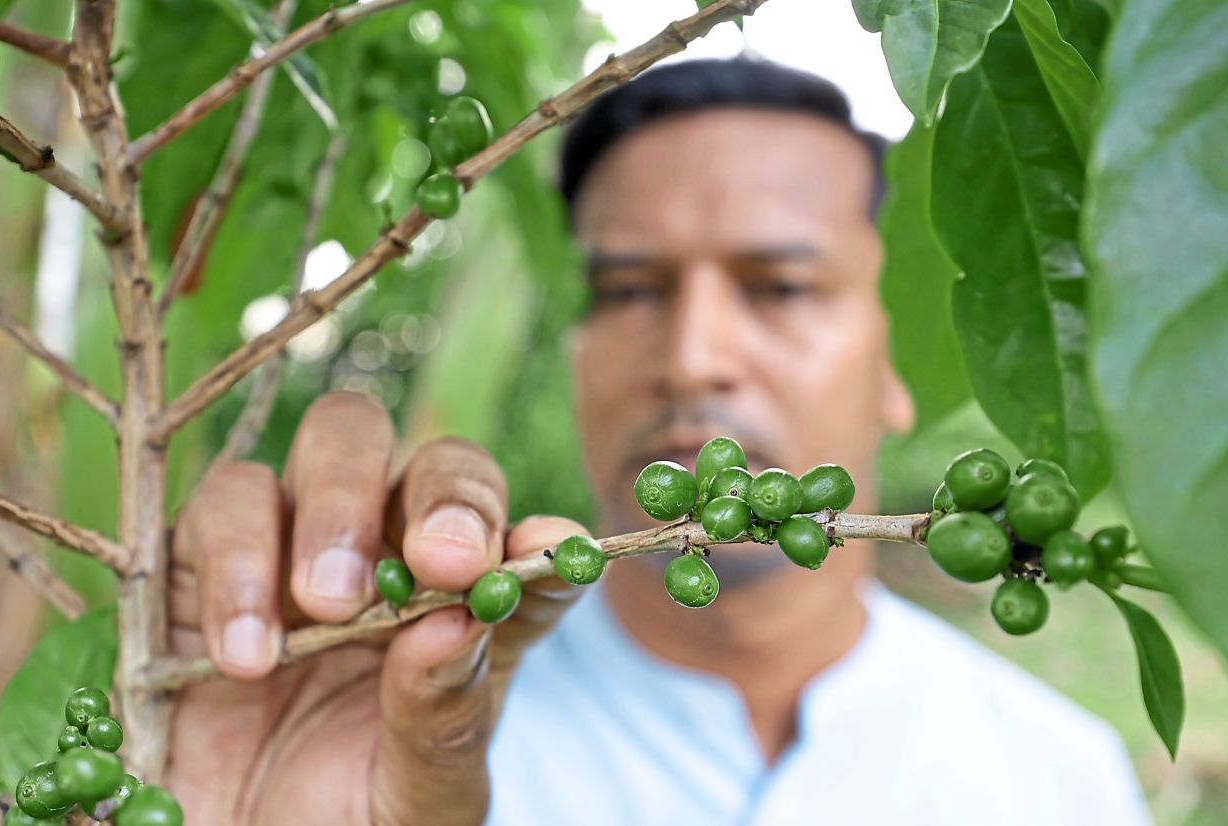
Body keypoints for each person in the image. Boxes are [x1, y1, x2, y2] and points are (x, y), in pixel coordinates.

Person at [167, 59, 1150, 825]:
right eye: (630, 290)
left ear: (900, 359)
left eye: (781, 287)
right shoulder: (385, 721)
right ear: (578, 351)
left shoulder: (1060, 779)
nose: (691, 357)